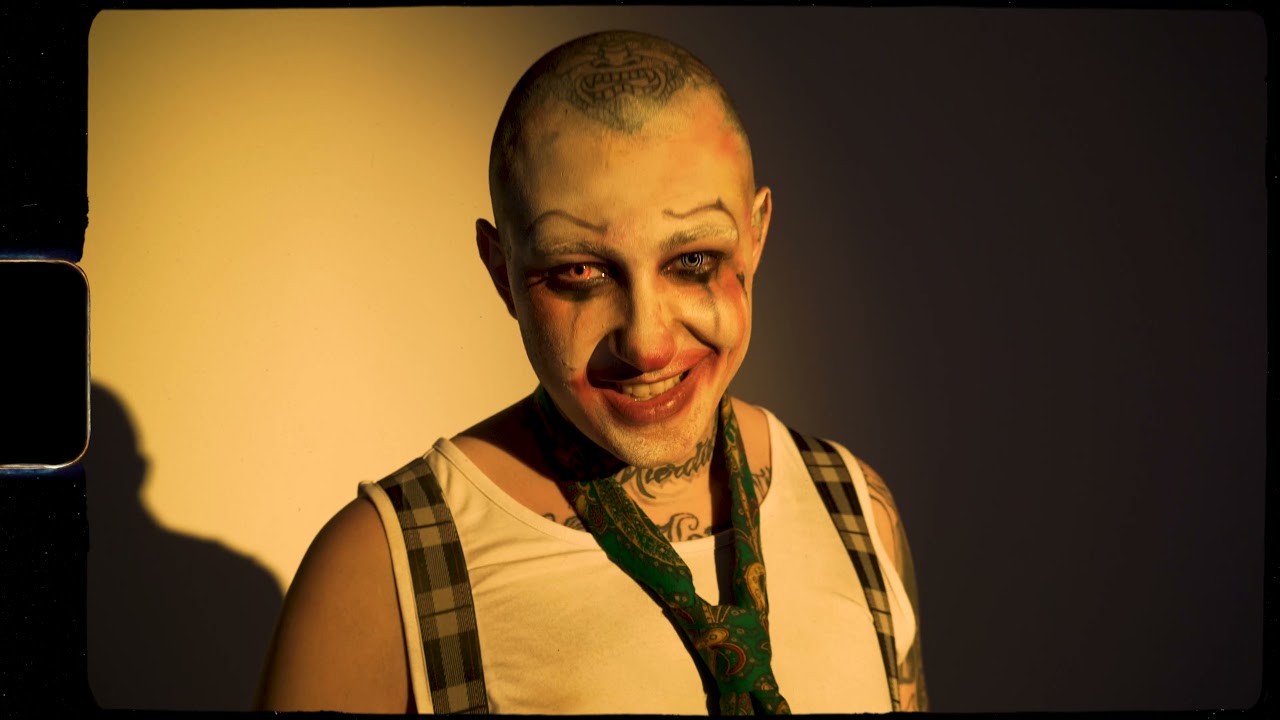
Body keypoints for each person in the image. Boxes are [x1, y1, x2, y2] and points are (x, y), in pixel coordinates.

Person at [254, 29, 927, 714]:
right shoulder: (380, 573)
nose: (647, 344)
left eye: (692, 261)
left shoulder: (859, 512)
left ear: (755, 237)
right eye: (579, 271)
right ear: (501, 272)